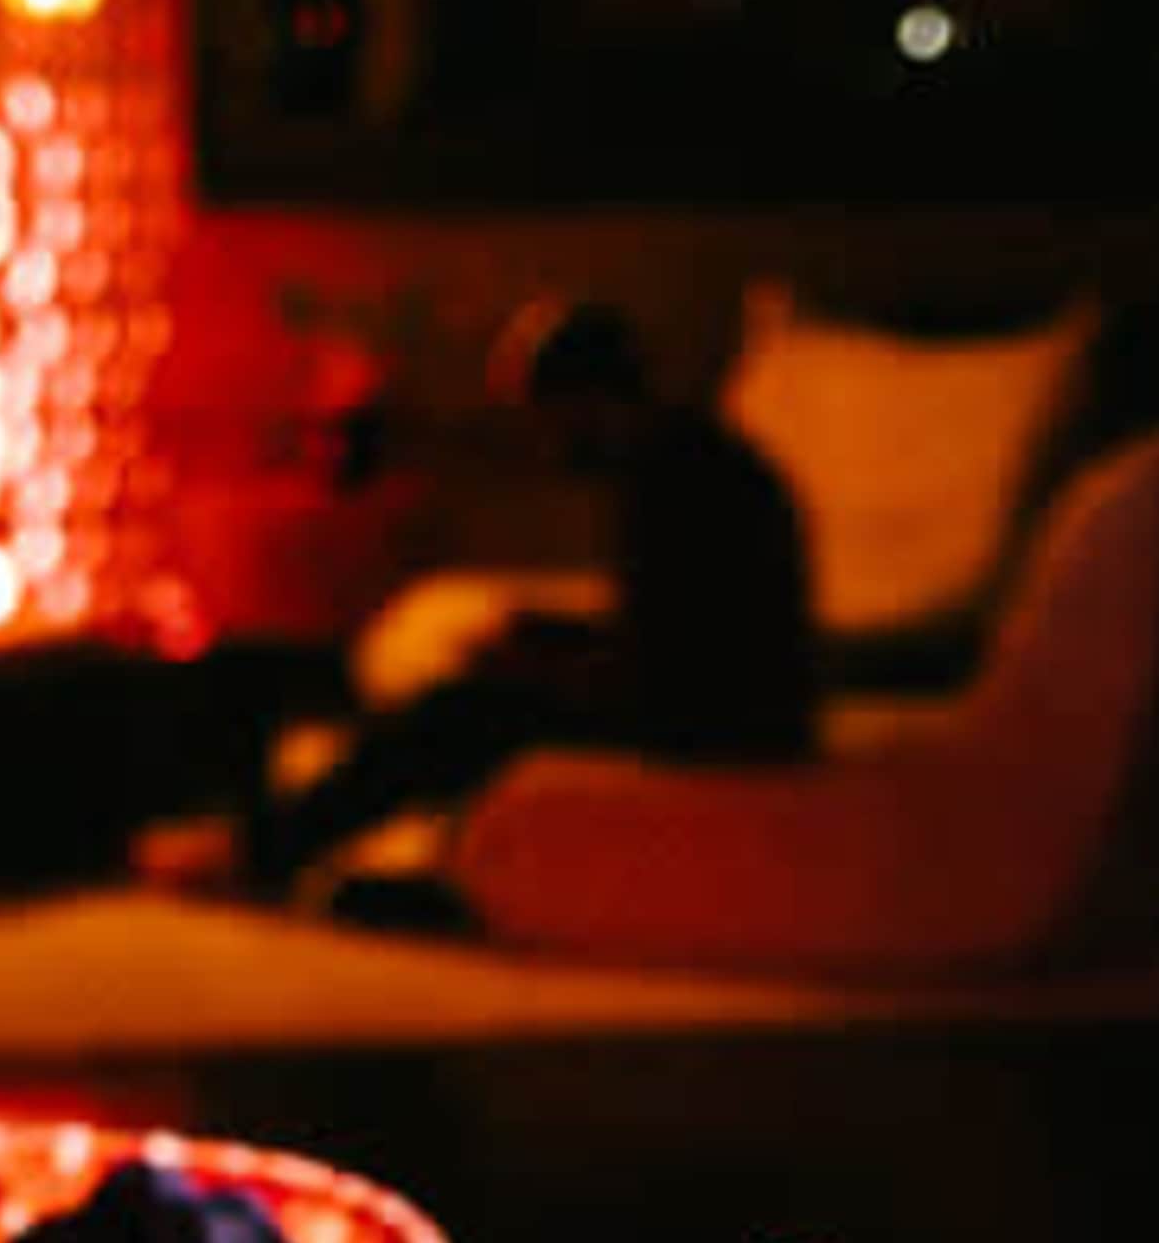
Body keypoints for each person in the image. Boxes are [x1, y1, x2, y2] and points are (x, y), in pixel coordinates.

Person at [244, 302, 817, 905]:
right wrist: (546, 640)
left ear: (582, 402)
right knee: (482, 690)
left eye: (544, 420)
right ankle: (406, 861)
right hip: (723, 706)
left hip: (722, 727)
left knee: (462, 714)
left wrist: (530, 668)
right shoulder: (690, 455)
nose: (543, 443)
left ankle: (268, 849)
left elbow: (673, 670)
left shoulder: (681, 480)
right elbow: (675, 630)